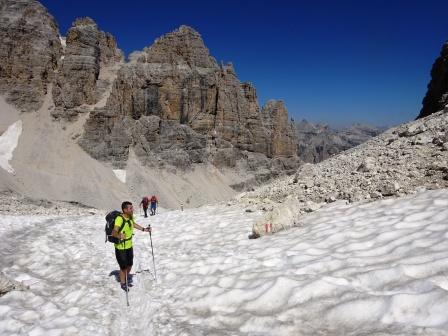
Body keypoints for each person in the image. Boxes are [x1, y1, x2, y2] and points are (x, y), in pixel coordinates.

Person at [112, 201, 151, 291]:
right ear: (125, 210)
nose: (132, 209)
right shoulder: (119, 219)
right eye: (130, 208)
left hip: (129, 245)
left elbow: (133, 224)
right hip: (120, 247)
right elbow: (114, 232)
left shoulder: (130, 217)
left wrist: (144, 229)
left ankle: (125, 277)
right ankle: (123, 283)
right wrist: (119, 235)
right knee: (123, 267)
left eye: (132, 208)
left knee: (130, 264)